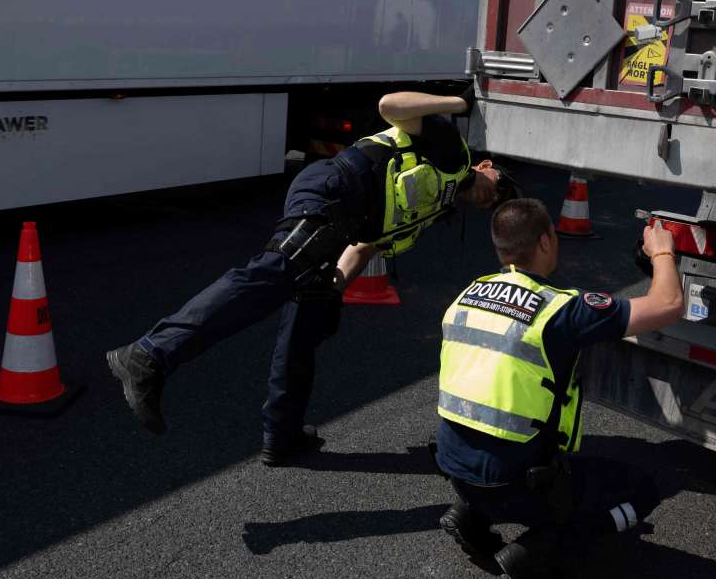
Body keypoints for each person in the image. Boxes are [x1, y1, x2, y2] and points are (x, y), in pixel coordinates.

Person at [106, 90, 519, 465]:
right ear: (485, 166)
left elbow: (365, 246)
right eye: (499, 185)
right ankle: (147, 356)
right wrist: (456, 104)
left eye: (498, 203)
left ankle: (281, 436)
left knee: (310, 320)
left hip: (345, 224)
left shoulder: (431, 212)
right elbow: (389, 106)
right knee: (272, 274)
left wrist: (335, 284)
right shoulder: (452, 153)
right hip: (333, 191)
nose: (493, 198)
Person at [433, 197, 685, 579]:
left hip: (455, 469)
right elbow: (667, 303)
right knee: (645, 488)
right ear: (546, 241)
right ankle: (540, 549)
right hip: (518, 485)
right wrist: (662, 250)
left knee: (490, 452)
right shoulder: (562, 310)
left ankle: (469, 515)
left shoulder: (467, 294)